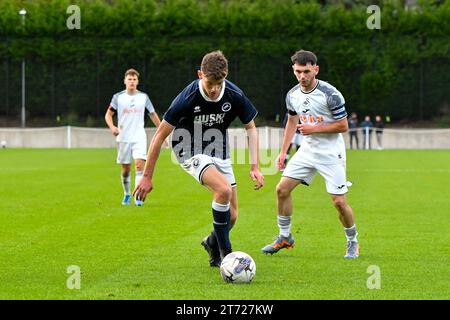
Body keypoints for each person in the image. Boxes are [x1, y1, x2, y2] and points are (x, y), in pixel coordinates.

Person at [133, 51, 265, 267]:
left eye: (219, 82)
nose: (214, 89)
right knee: (223, 190)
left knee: (231, 216)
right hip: (187, 147)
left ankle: (211, 243)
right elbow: (159, 136)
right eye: (209, 82)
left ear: (226, 76)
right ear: (199, 75)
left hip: (218, 148)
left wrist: (255, 166)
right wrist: (147, 176)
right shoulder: (187, 97)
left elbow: (251, 128)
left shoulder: (233, 94)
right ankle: (227, 256)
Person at [261, 50, 360, 259]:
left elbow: (343, 125)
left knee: (339, 203)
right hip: (307, 151)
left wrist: (315, 129)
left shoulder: (330, 94)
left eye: (306, 71)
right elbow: (291, 121)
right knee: (282, 190)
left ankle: (352, 241)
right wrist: (282, 151)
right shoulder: (292, 94)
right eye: (298, 72)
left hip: (331, 153)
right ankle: (285, 237)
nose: (302, 76)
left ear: (316, 69)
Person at [105, 68, 165, 206]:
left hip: (139, 137)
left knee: (139, 166)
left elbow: (153, 115)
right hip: (123, 138)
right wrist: (112, 127)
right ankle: (126, 194)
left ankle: (138, 198)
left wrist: (163, 133)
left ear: (137, 82)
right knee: (126, 169)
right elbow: (108, 114)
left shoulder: (143, 97)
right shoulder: (118, 97)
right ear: (125, 81)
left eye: (134, 79)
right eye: (129, 79)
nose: (132, 81)